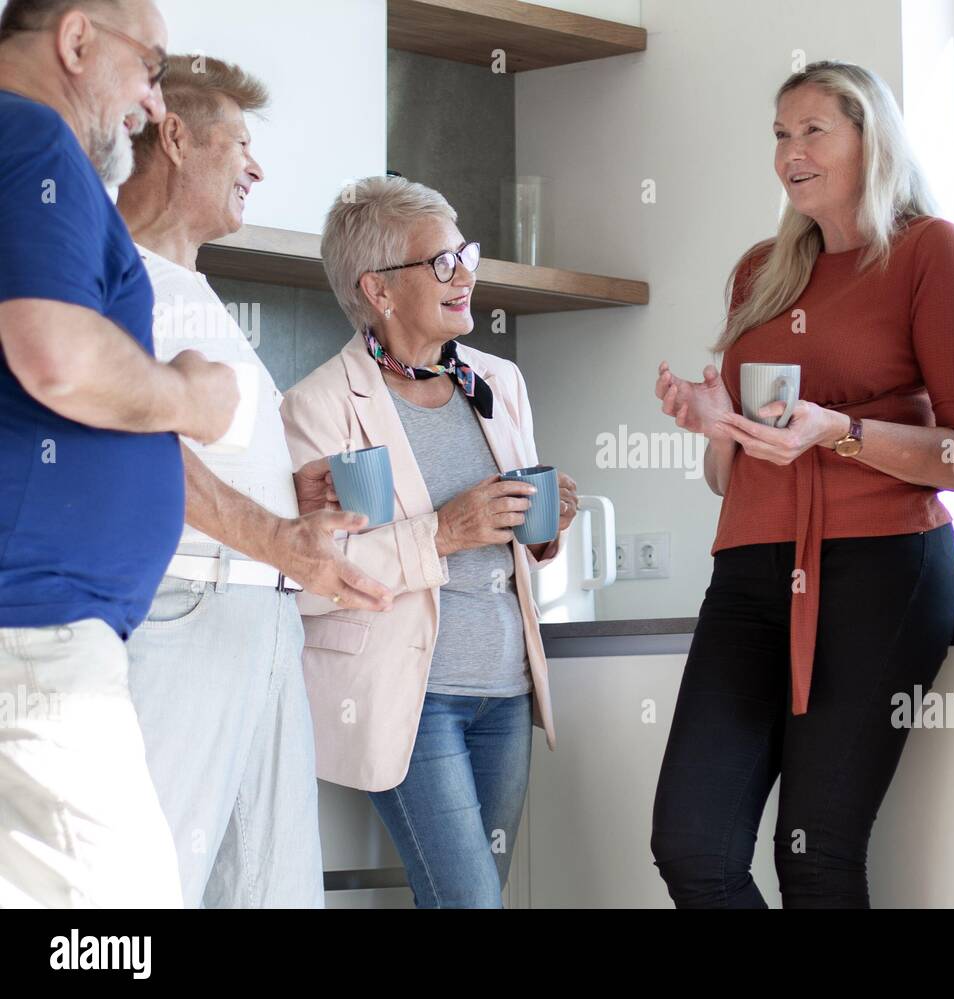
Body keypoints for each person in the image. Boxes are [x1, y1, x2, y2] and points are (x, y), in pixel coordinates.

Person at [650, 60, 954, 907]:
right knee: (691, 845)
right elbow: (725, 472)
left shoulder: (928, 253)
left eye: (813, 131)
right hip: (749, 569)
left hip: (881, 568)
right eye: (780, 133)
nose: (791, 152)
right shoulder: (760, 271)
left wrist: (839, 432)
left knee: (816, 850)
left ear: (869, 138)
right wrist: (715, 422)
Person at [115, 53, 393, 908]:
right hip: (185, 608)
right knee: (147, 883)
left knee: (269, 889)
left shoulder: (191, 291)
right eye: (239, 143)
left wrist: (290, 493)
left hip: (257, 619)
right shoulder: (112, 278)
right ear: (174, 137)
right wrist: (274, 533)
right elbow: (130, 447)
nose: (258, 167)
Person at [280, 175, 579, 908]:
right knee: (470, 903)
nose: (466, 273)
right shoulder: (318, 405)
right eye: (442, 262)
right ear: (378, 290)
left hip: (505, 690)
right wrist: (444, 531)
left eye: (465, 253)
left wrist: (546, 528)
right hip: (414, 698)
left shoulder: (498, 382)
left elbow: (506, 540)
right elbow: (312, 576)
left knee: (466, 898)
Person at [0, 0, 237, 907]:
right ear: (75, 38)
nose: (150, 105)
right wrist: (191, 396)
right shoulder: (34, 140)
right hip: (38, 631)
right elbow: (54, 352)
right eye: (150, 69)